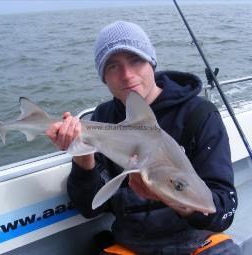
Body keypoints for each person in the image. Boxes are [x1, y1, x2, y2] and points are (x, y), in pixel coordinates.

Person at [46, 21, 240, 255]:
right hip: (131, 246)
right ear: (104, 77)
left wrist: (180, 203)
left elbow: (222, 210)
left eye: (136, 60)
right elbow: (91, 208)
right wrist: (83, 155)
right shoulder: (103, 118)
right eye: (113, 67)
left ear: (151, 62)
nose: (127, 76)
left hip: (198, 243)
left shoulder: (199, 115)